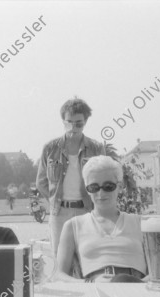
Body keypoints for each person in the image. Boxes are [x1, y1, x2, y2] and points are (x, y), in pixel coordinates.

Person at [56, 155, 160, 282]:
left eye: (108, 187)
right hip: (95, 290)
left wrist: (136, 284)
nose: (101, 194)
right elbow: (58, 275)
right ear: (87, 190)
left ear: (120, 186)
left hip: (135, 288)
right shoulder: (73, 226)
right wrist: (90, 283)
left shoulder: (141, 223)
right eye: (94, 187)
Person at [36, 97, 106, 256]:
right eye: (69, 122)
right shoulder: (50, 148)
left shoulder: (96, 148)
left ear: (86, 122)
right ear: (63, 121)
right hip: (59, 214)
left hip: (87, 211)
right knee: (60, 260)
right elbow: (41, 182)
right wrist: (55, 201)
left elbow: (104, 180)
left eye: (79, 123)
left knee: (88, 258)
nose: (73, 127)